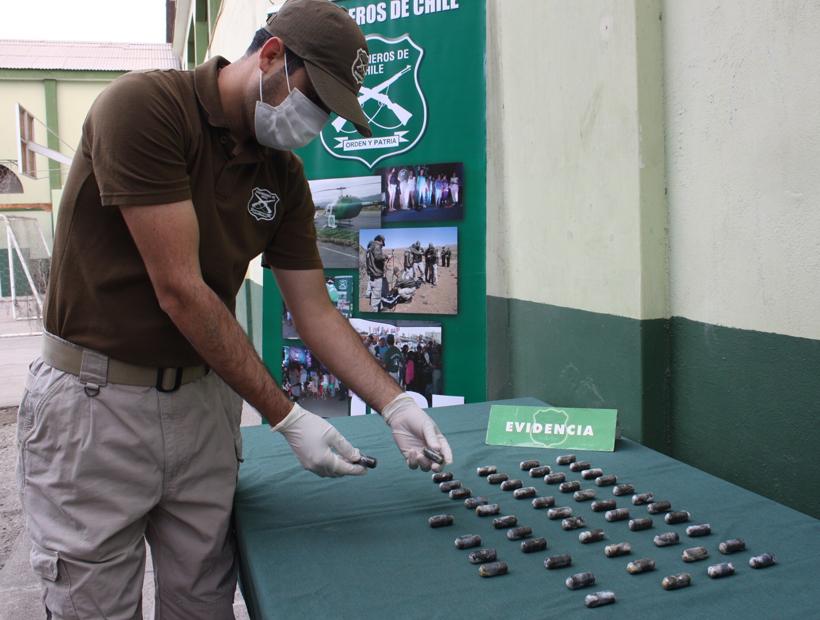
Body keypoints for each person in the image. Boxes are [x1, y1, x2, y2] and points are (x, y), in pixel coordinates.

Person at [17, 2, 453, 618]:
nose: (317, 121)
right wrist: (288, 416)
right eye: (314, 98)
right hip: (97, 408)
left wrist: (395, 401)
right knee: (93, 606)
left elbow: (315, 311)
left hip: (203, 407)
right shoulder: (145, 109)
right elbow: (181, 290)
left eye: (330, 111)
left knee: (202, 602)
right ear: (271, 56)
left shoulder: (283, 175)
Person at [366, 234, 387, 313]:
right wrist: (386, 257)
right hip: (376, 276)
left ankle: (380, 307)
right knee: (376, 297)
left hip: (371, 275)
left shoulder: (370, 248)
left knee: (376, 294)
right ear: (381, 241)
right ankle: (374, 314)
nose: (382, 245)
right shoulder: (376, 246)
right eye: (382, 243)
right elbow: (378, 257)